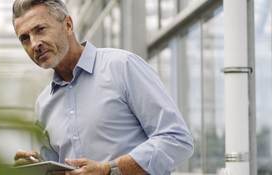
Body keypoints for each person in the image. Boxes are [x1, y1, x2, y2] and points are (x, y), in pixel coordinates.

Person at [11, 0, 194, 174]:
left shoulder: (122, 66)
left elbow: (176, 140)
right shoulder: (43, 104)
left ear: (68, 25)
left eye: (40, 29)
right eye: (25, 38)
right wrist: (35, 165)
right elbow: (55, 167)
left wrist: (110, 170)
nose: (35, 44)